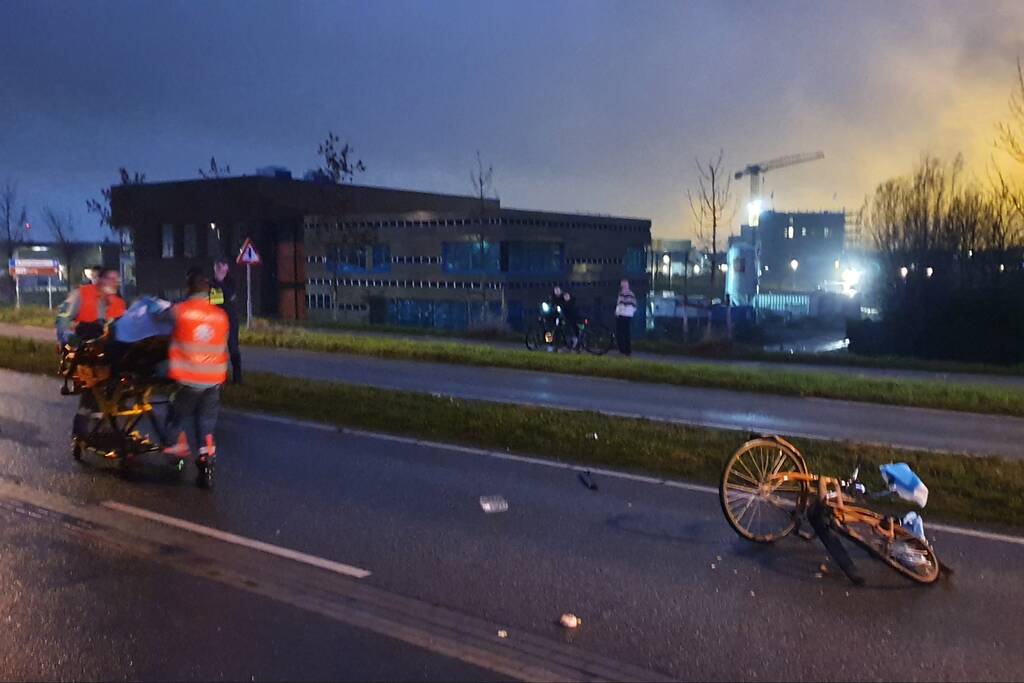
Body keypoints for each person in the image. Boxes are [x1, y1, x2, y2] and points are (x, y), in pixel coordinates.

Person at [162, 269, 229, 466]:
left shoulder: (179, 311)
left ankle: (177, 446)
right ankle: (207, 451)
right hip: (214, 379)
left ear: (188, 288)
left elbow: (161, 320)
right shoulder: (221, 316)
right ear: (208, 291)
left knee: (176, 414)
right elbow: (223, 347)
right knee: (206, 420)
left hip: (188, 379)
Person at [55, 267, 126, 345]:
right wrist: (68, 336)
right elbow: (63, 317)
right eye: (110, 278)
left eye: (117, 280)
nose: (114, 282)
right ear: (100, 280)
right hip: (83, 344)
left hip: (108, 348)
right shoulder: (81, 293)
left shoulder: (119, 303)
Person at [210, 257, 242, 384]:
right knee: (217, 351)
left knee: (233, 348)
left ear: (227, 267)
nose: (219, 270)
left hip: (231, 320)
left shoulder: (231, 282)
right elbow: (215, 302)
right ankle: (219, 377)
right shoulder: (212, 283)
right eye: (217, 267)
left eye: (222, 266)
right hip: (217, 322)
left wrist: (220, 282)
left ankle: (237, 378)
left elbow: (229, 297)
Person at [615, 279, 637, 357]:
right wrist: (631, 312)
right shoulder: (632, 294)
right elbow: (634, 306)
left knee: (620, 333)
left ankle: (622, 350)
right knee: (627, 333)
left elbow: (620, 304)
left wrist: (617, 313)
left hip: (622, 315)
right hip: (629, 315)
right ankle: (628, 350)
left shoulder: (622, 294)